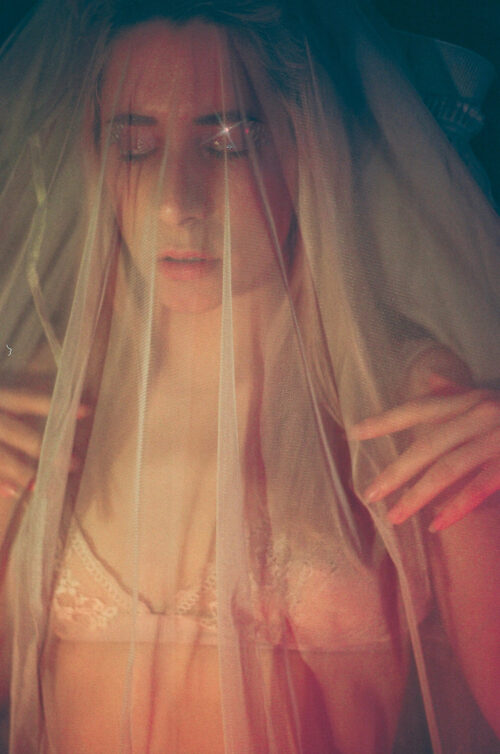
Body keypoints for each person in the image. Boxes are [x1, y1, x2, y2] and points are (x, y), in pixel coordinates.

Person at [0, 1, 499, 752]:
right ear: (94, 155)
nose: (177, 201)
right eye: (134, 147)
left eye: (229, 144)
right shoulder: (40, 403)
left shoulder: (410, 407)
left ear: (310, 142)